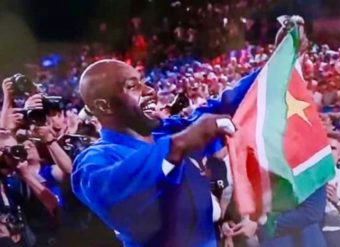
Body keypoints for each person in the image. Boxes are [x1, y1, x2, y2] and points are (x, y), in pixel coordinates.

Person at [71, 59, 259, 247]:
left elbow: (227, 105)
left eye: (143, 81)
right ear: (105, 106)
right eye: (132, 86)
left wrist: (280, 58)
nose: (150, 90)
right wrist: (177, 146)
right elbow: (112, 193)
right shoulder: (94, 161)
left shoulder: (167, 133)